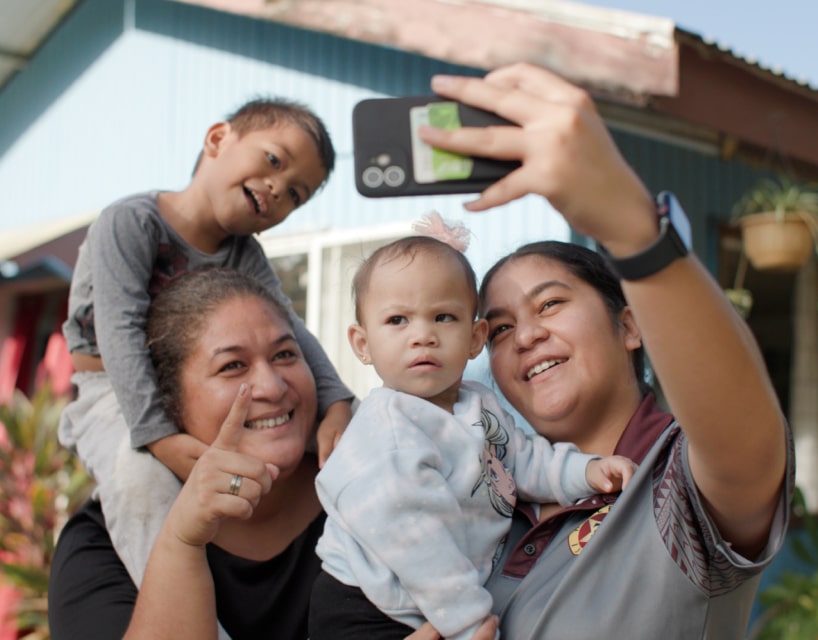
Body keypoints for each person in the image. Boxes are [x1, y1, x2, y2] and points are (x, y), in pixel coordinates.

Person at [408, 63, 794, 639]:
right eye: (503, 328)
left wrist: (632, 231)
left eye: (550, 305)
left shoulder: (674, 484)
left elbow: (743, 431)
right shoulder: (490, 494)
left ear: (631, 326)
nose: (528, 336)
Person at [56, 98, 354, 588]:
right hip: (110, 390)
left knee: (355, 431)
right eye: (274, 160)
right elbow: (120, 332)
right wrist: (158, 437)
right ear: (218, 140)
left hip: (194, 389)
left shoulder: (243, 253)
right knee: (142, 481)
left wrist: (337, 399)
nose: (279, 189)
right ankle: (183, 612)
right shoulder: (132, 222)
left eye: (297, 195)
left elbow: (290, 329)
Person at [308, 218, 638, 640]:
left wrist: (585, 471)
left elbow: (521, 459)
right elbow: (417, 541)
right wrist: (471, 626)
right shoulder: (386, 433)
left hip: (438, 598)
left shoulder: (476, 403)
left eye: (443, 317)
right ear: (362, 343)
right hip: (368, 605)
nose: (422, 335)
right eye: (397, 321)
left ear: (474, 337)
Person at [50, 266, 326, 639]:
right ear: (167, 405)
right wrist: (183, 542)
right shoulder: (101, 547)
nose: (272, 387)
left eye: (285, 354)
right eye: (232, 366)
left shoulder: (370, 494)